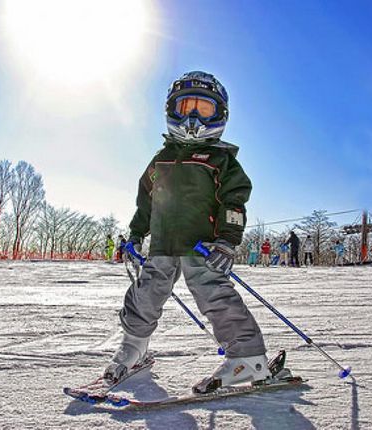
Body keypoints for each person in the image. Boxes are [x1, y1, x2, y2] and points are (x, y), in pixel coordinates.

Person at [103, 71, 271, 394]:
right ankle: (133, 346)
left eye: (203, 109)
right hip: (163, 243)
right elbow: (145, 204)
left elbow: (234, 202)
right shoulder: (161, 159)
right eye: (186, 107)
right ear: (172, 110)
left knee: (214, 295)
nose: (193, 117)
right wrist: (135, 236)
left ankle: (248, 356)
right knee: (146, 293)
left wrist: (227, 241)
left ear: (219, 115)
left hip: (202, 245)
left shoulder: (220, 160)